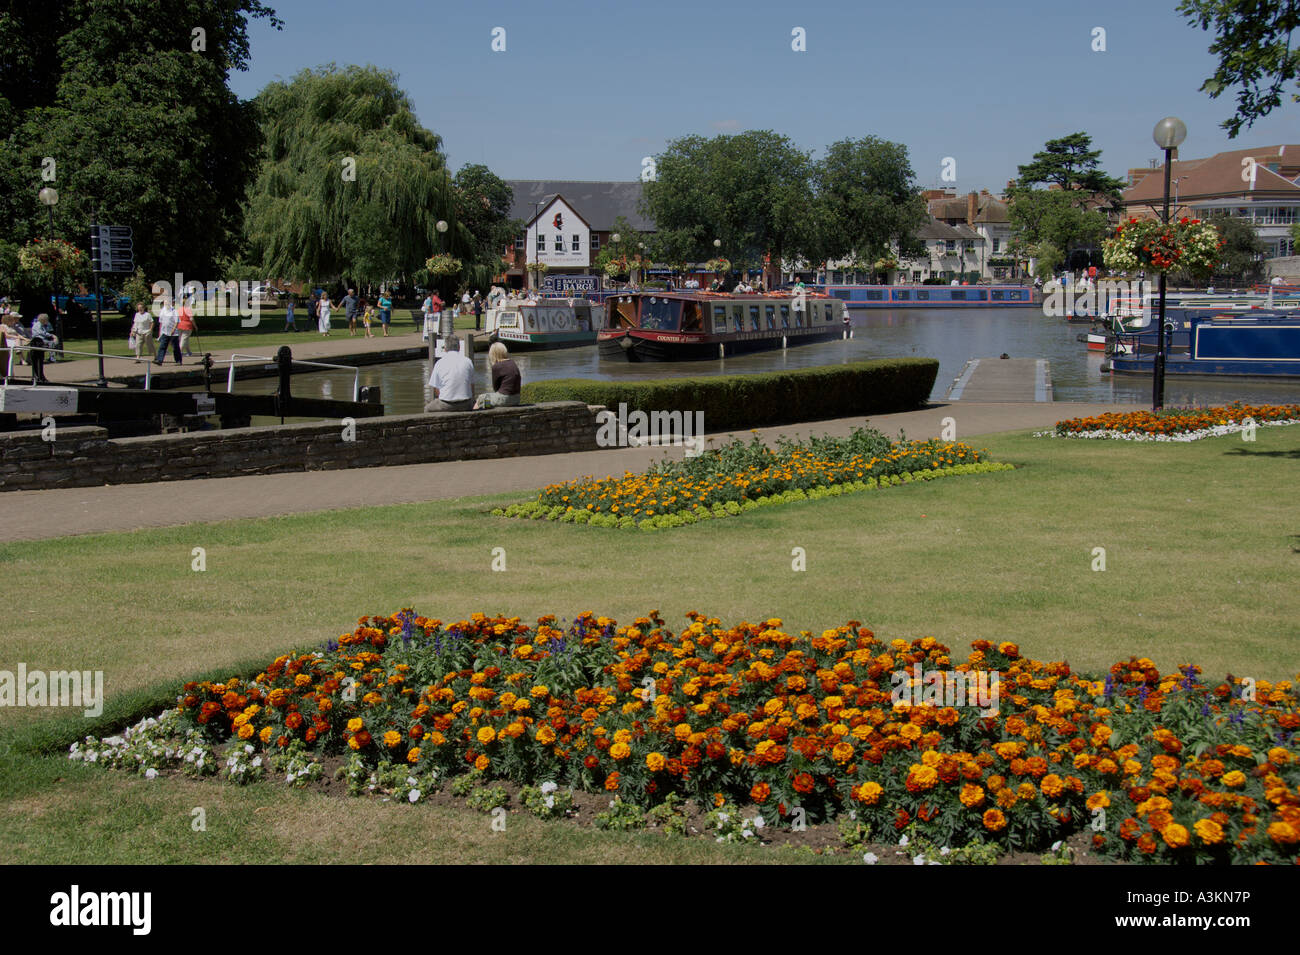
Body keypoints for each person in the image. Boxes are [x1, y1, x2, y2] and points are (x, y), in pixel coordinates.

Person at [425, 335, 475, 411]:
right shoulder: (468, 361)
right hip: (466, 404)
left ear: (445, 348)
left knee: (427, 408)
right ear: (459, 348)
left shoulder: (439, 363)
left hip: (446, 404)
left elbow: (436, 388)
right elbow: (471, 386)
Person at [473, 341, 522, 408]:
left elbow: (495, 387)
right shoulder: (513, 363)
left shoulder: (497, 366)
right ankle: (487, 407)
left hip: (504, 399)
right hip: (516, 398)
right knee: (487, 399)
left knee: (481, 398)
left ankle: (479, 414)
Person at [154, 296, 182, 364]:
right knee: (162, 346)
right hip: (165, 332)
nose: (166, 304)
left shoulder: (174, 311)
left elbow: (176, 321)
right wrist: (160, 333)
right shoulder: (162, 311)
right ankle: (159, 360)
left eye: (168, 302)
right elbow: (161, 322)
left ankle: (178, 360)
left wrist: (173, 329)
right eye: (165, 302)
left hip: (173, 333)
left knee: (175, 347)